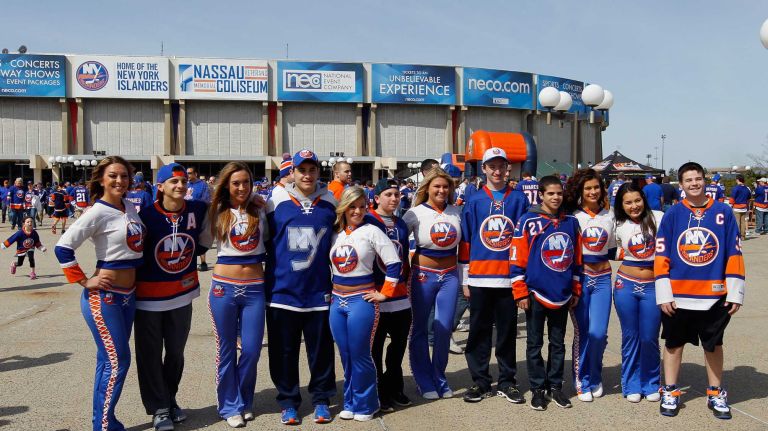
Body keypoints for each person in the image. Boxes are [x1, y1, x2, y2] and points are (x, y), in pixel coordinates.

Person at [54, 156, 146, 431]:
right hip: (105, 297)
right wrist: (83, 280)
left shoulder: (129, 206)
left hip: (129, 296)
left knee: (107, 360)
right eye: (113, 176)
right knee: (118, 361)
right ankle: (104, 425)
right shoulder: (96, 212)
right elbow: (63, 247)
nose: (120, 181)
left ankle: (103, 420)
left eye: (125, 176)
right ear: (101, 179)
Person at [655, 162, 745, 419]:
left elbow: (733, 252)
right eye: (688, 180)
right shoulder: (672, 214)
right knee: (673, 344)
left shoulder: (723, 212)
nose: (694, 183)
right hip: (678, 295)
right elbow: (661, 253)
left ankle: (716, 393)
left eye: (698, 179)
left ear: (704, 181)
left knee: (713, 345)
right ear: (681, 185)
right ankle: (670, 390)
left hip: (714, 295)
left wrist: (735, 290)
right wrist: (664, 292)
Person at [134, 163, 212, 431]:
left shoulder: (197, 209)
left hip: (181, 295)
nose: (179, 186)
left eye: (182, 181)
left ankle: (170, 397)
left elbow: (205, 237)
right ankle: (158, 408)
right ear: (160, 186)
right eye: (173, 182)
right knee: (150, 355)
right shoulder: (144, 215)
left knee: (176, 353)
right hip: (148, 298)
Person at [265, 149, 337, 426]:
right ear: (291, 172)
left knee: (320, 351)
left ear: (319, 172)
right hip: (282, 290)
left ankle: (321, 399)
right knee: (283, 351)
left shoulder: (331, 202)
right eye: (301, 170)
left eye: (312, 170)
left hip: (318, 290)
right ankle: (288, 400)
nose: (307, 175)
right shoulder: (275, 201)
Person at [459, 148, 529, 404]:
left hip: (508, 278)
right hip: (479, 278)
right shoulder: (475, 200)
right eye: (492, 166)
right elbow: (466, 240)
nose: (497, 171)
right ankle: (480, 381)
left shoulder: (519, 200)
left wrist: (521, 277)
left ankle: (508, 380)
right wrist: (465, 278)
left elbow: (523, 241)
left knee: (507, 332)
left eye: (501, 166)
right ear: (484, 169)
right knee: (478, 332)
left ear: (507, 168)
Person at [329, 186, 402, 422]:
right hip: (336, 301)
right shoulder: (336, 234)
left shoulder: (372, 231)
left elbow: (394, 263)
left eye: (362, 206)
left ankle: (367, 403)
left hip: (361, 300)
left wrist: (384, 293)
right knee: (346, 354)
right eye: (353, 206)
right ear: (344, 207)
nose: (358, 211)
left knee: (361, 354)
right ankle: (350, 401)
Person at [511, 175, 581, 411]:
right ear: (541, 194)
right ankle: (538, 388)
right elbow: (517, 258)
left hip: (561, 293)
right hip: (534, 293)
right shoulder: (528, 220)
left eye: (559, 193)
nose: (555, 197)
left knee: (558, 342)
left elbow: (577, 258)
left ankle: (556, 386)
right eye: (550, 193)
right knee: (534, 343)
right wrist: (519, 291)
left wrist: (576, 288)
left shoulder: (571, 221)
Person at [207, 162, 268, 428]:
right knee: (227, 349)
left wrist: (261, 200)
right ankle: (230, 405)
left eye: (246, 182)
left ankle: (245, 399)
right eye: (235, 183)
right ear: (226, 185)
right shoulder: (216, 211)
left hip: (255, 287)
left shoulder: (262, 209)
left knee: (253, 350)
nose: (242, 187)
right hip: (224, 287)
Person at [403, 168, 462, 400]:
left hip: (450, 276)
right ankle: (423, 378)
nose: (441, 190)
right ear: (427, 188)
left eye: (445, 187)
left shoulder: (457, 212)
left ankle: (439, 376)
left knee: (444, 329)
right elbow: (396, 240)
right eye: (437, 186)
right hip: (422, 276)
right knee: (418, 329)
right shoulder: (414, 213)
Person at [563, 169, 615, 402]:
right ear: (580, 192)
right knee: (583, 332)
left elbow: (613, 249)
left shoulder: (610, 215)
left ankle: (595, 374)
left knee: (599, 333)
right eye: (588, 188)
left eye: (596, 187)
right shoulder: (573, 218)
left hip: (603, 278)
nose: (593, 192)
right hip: (581, 280)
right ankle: (582, 378)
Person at [613, 183, 664, 402]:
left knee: (649, 336)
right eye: (628, 202)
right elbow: (604, 248)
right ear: (621, 205)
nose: (634, 206)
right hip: (626, 285)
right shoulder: (616, 223)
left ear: (643, 199)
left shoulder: (659, 217)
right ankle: (631, 383)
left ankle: (651, 382)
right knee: (630, 336)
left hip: (654, 285)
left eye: (637, 200)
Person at [366, 178, 412, 412]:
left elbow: (403, 259)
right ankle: (378, 390)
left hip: (400, 296)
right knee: (375, 348)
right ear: (376, 198)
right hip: (376, 295)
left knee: (398, 347)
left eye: (396, 195)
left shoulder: (401, 223)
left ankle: (395, 387)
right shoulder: (367, 221)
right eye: (388, 195)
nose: (394, 199)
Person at [185, 166, 212, 272]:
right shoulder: (185, 184)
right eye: (186, 173)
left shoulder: (202, 185)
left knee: (199, 240)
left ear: (195, 174)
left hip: (198, 216)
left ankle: (203, 262)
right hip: (186, 216)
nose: (188, 175)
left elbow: (206, 201)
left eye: (190, 173)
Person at [729, 175, 751, 240]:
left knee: (737, 222)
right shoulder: (747, 188)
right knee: (743, 222)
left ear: (738, 180)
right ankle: (743, 236)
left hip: (736, 207)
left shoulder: (736, 188)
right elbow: (748, 198)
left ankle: (737, 236)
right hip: (744, 207)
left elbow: (732, 198)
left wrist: (731, 206)